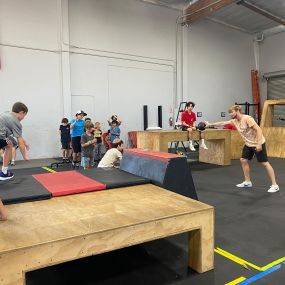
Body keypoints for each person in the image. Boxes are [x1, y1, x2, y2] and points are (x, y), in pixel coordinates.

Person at [205, 105, 279, 193]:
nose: (230, 114)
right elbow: (223, 123)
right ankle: (248, 182)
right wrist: (210, 124)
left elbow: (258, 130)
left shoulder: (247, 119)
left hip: (258, 143)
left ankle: (275, 185)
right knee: (243, 160)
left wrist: (259, 144)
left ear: (237, 111)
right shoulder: (234, 121)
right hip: (248, 144)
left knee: (264, 163)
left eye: (231, 112)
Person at [0, 102, 30, 181]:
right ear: (21, 112)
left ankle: (4, 172)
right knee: (10, 145)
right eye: (24, 115)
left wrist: (26, 143)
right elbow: (20, 143)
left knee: (9, 145)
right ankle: (4, 173)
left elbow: (18, 135)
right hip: (1, 137)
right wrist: (25, 156)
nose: (23, 118)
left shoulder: (6, 114)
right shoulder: (16, 122)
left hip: (2, 136)